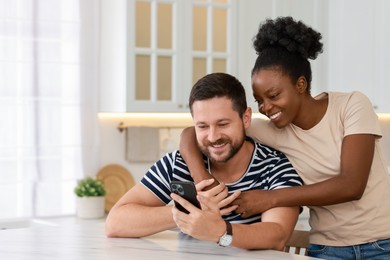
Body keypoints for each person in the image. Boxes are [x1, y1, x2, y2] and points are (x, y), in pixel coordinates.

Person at [180, 17, 390, 259]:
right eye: (259, 100)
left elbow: (352, 185)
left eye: (273, 95)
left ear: (300, 84)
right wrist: (204, 181)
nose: (266, 107)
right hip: (327, 248)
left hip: (382, 244)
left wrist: (270, 198)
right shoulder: (271, 130)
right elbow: (190, 133)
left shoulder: (351, 106)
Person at [105, 72, 303, 250]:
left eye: (223, 124)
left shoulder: (274, 166)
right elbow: (115, 222)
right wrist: (187, 211)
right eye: (202, 126)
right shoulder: (178, 163)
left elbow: (277, 235)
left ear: (246, 118)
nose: (213, 136)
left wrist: (220, 231)